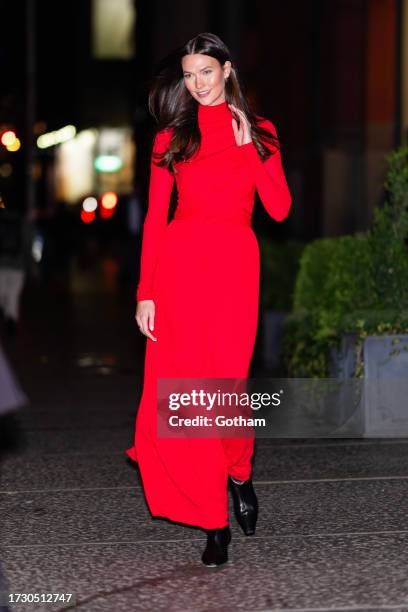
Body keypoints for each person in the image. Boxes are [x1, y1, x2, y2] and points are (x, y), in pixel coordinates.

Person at [125, 32, 292, 567]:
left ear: (227, 71)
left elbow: (281, 208)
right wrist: (145, 292)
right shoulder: (170, 138)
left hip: (234, 270)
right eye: (189, 75)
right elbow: (154, 219)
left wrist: (250, 148)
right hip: (179, 273)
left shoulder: (259, 130)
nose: (196, 84)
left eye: (206, 72)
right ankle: (211, 521)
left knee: (227, 390)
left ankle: (239, 472)